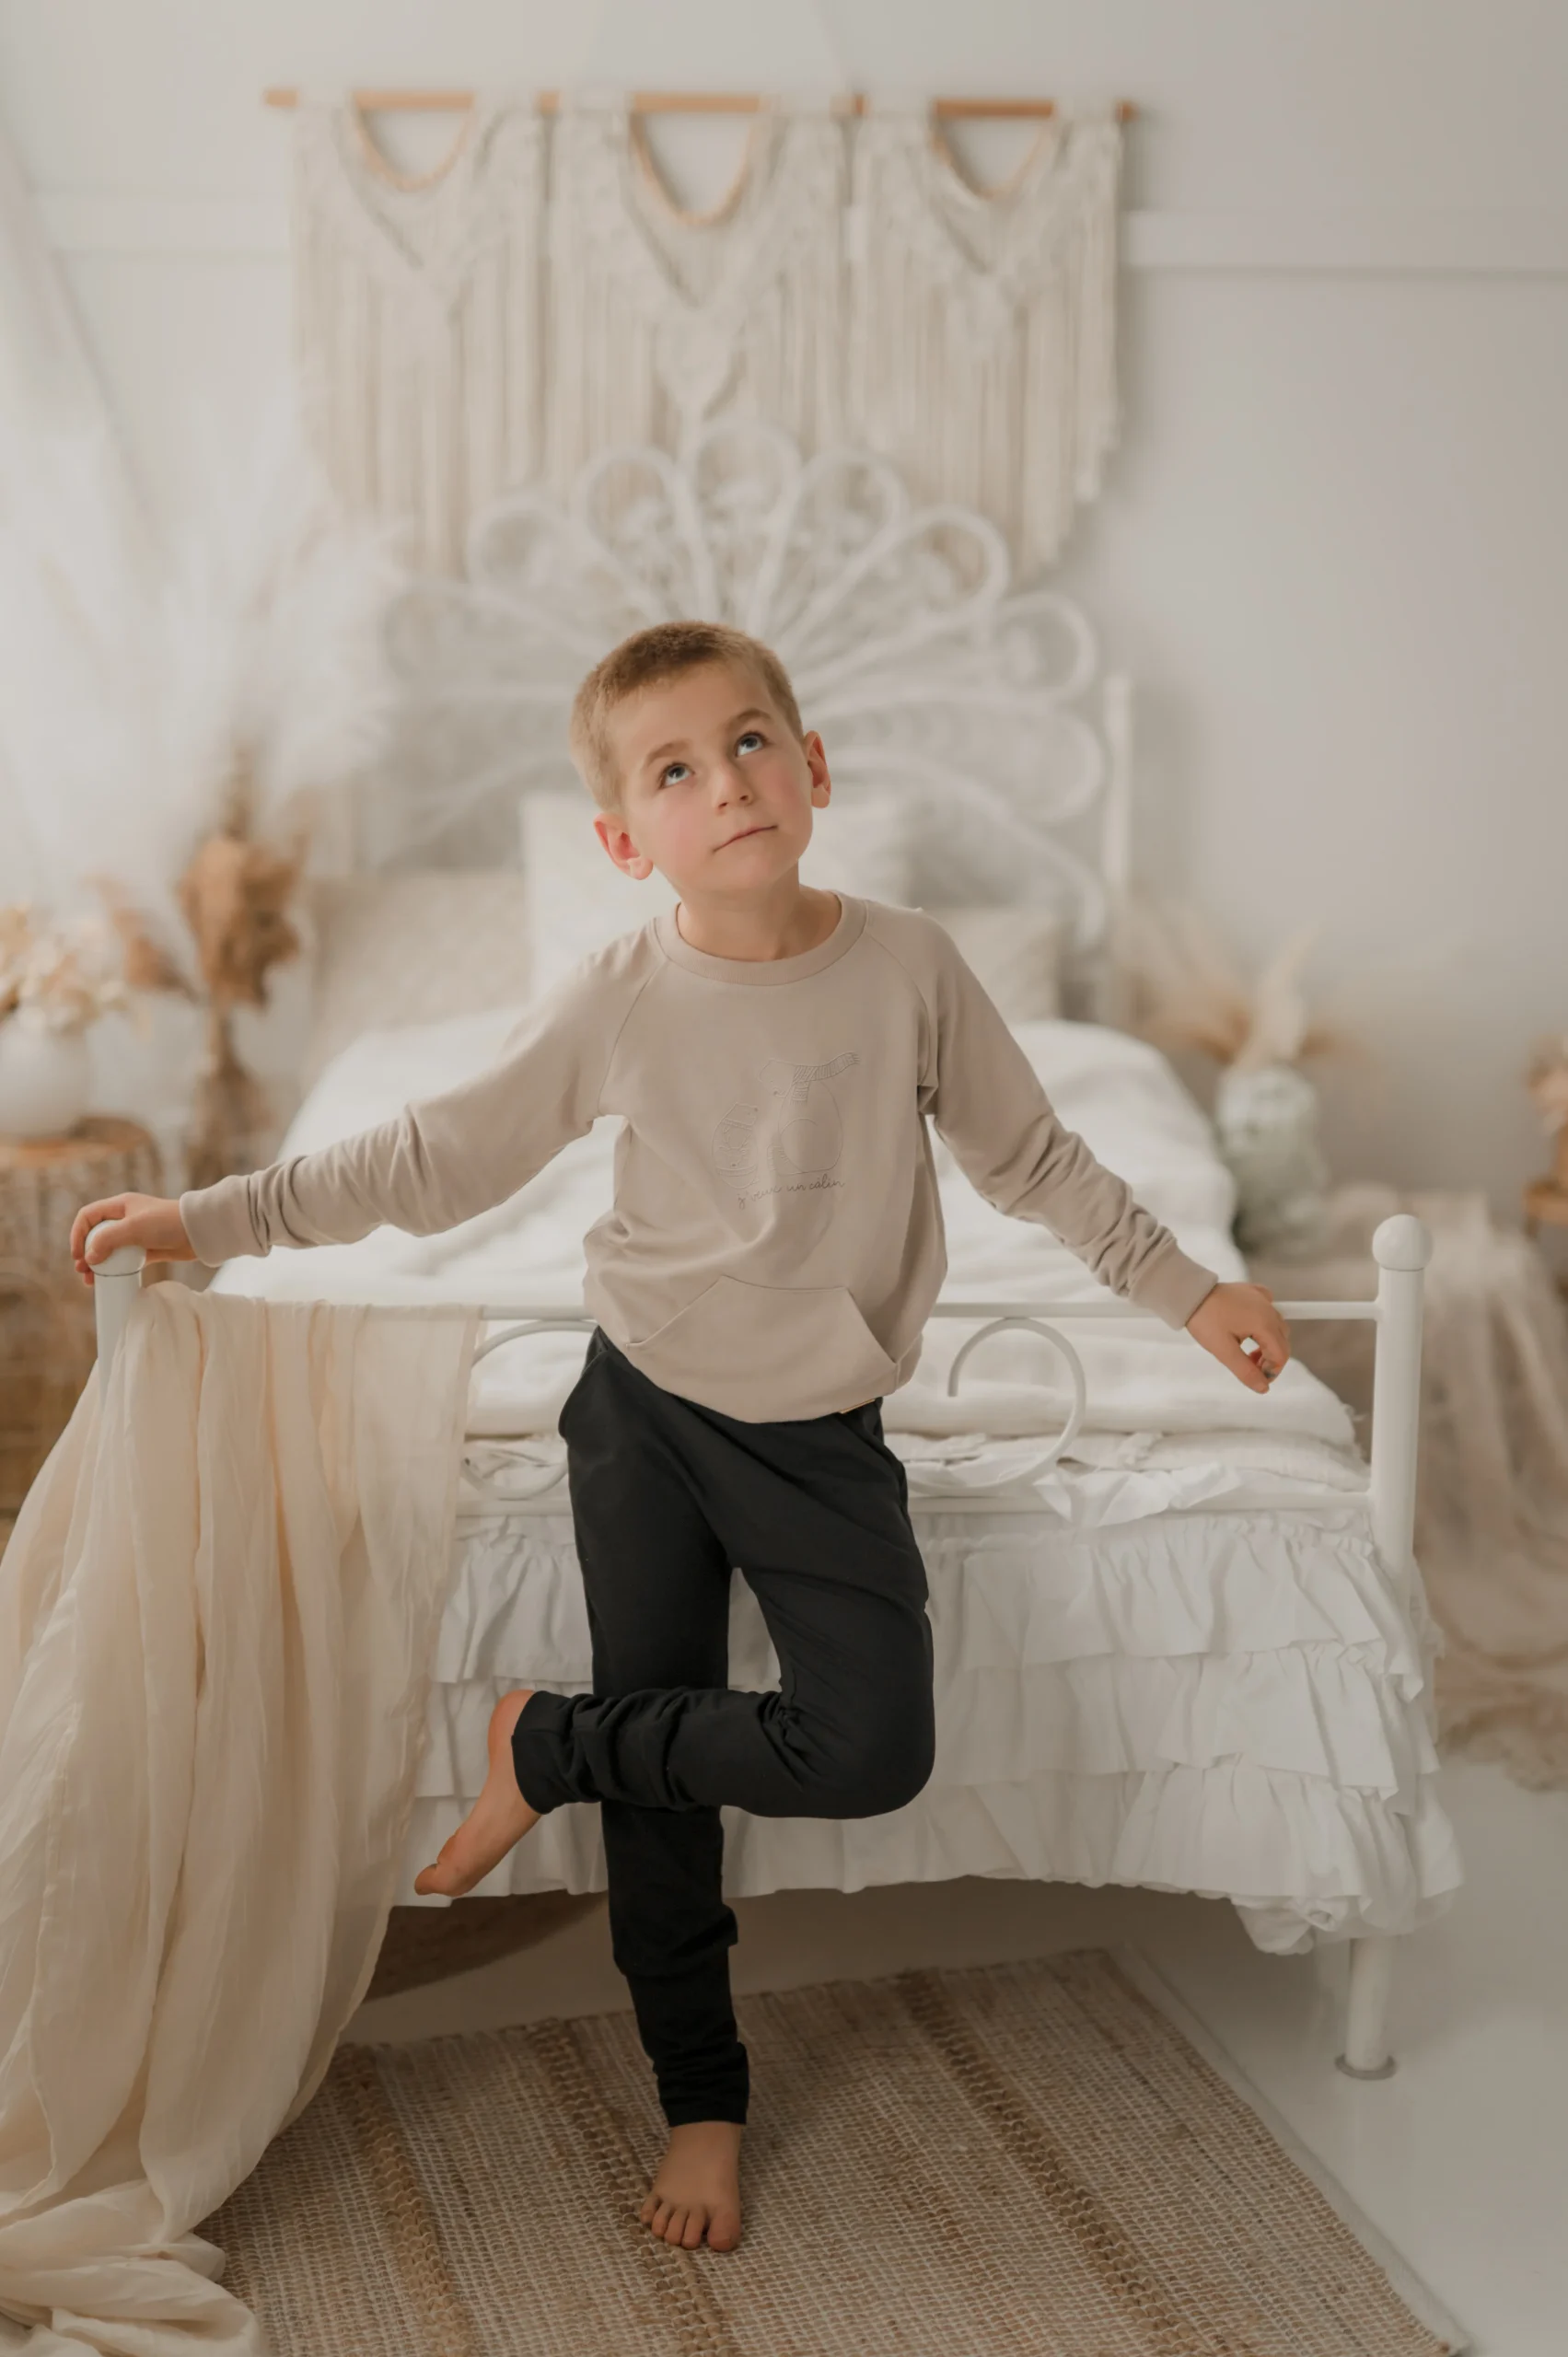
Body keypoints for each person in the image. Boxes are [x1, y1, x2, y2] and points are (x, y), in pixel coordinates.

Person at [72, 620, 1291, 2256]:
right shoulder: (620, 995)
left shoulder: (912, 967)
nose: (723, 784)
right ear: (621, 840)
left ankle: (551, 1743)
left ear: (811, 766)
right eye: (672, 770)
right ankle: (699, 2101)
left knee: (869, 1747)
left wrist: (1187, 1290)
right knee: (670, 1794)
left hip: (820, 1428)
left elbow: (1038, 1163)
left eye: (747, 743)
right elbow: (437, 1158)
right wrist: (212, 1219)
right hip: (643, 1411)